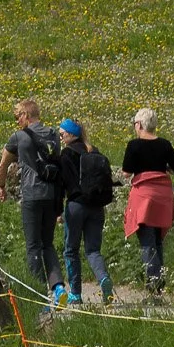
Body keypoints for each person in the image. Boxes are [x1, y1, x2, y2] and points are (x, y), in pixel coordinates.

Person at [0, 97, 66, 302]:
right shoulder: (53, 134)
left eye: (18, 116)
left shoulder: (19, 137)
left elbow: (3, 165)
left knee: (33, 245)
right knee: (48, 244)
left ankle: (39, 294)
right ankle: (59, 287)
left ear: (26, 115)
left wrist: (1, 186)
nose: (17, 120)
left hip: (32, 195)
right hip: (52, 195)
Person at [121, 106, 174, 295]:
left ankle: (154, 285)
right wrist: (163, 167)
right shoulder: (165, 144)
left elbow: (126, 172)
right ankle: (159, 283)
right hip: (163, 197)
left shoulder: (134, 145)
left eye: (135, 124)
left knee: (147, 242)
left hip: (144, 198)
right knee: (157, 240)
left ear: (139, 124)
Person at [57, 119, 115, 306]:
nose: (60, 136)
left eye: (62, 133)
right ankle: (103, 278)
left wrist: (58, 210)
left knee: (71, 250)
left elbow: (62, 184)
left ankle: (75, 293)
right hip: (97, 207)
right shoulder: (94, 151)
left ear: (71, 134)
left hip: (75, 207)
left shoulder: (66, 154)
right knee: (93, 250)